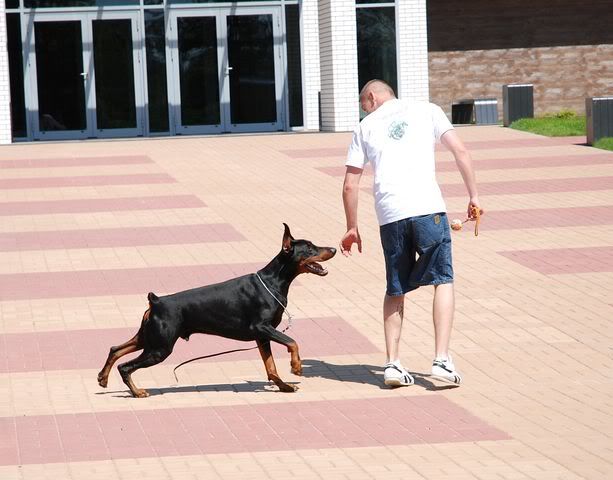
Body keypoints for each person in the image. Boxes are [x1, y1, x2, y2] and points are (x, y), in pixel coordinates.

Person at [340, 79, 482, 387]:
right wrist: (473, 195)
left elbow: (351, 185)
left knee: (395, 287)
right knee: (442, 279)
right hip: (428, 209)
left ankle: (392, 364)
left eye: (364, 106)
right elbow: (461, 150)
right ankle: (441, 359)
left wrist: (352, 227)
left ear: (372, 97)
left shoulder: (364, 128)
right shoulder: (427, 110)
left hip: (390, 216)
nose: (365, 112)